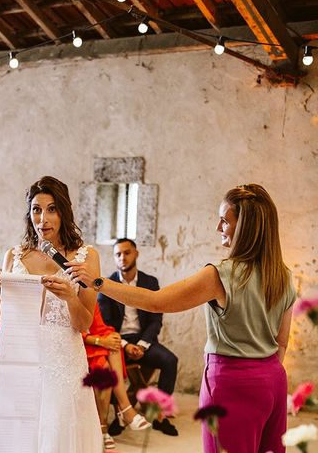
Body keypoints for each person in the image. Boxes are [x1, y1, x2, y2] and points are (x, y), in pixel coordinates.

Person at [67, 184, 296, 453]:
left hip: (231, 382)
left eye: (224, 220)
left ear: (244, 226)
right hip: (273, 379)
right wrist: (262, 377)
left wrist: (98, 282)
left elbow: (156, 301)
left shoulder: (219, 275)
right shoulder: (284, 275)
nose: (218, 227)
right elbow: (282, 343)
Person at [0, 176, 102, 453]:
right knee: (21, 434)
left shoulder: (85, 256)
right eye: (36, 209)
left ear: (64, 211)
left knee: (59, 434)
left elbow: (84, 324)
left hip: (63, 364)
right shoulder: (14, 256)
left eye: (52, 209)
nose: (43, 218)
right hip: (22, 361)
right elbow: (5, 323)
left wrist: (70, 296)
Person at [100, 238, 179, 436]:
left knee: (170, 360)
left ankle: (160, 413)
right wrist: (126, 346)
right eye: (118, 254)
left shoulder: (150, 282)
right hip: (119, 341)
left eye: (127, 253)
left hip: (145, 339)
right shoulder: (107, 285)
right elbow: (107, 325)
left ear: (136, 254)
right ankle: (121, 412)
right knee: (106, 369)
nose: (122, 258)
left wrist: (143, 345)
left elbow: (156, 320)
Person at [82, 304, 150, 450]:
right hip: (77, 344)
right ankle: (117, 417)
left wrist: (111, 336)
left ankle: (120, 413)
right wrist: (100, 341)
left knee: (115, 343)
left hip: (92, 341)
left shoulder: (88, 291)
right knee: (104, 370)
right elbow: (70, 332)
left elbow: (99, 325)